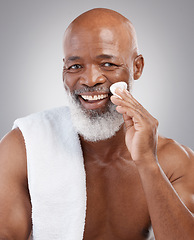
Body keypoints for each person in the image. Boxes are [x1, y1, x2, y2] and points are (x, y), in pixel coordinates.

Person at [0, 8, 194, 240]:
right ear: (63, 73)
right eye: (75, 67)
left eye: (108, 64)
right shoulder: (24, 148)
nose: (91, 80)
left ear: (137, 67)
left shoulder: (174, 161)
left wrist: (148, 163)